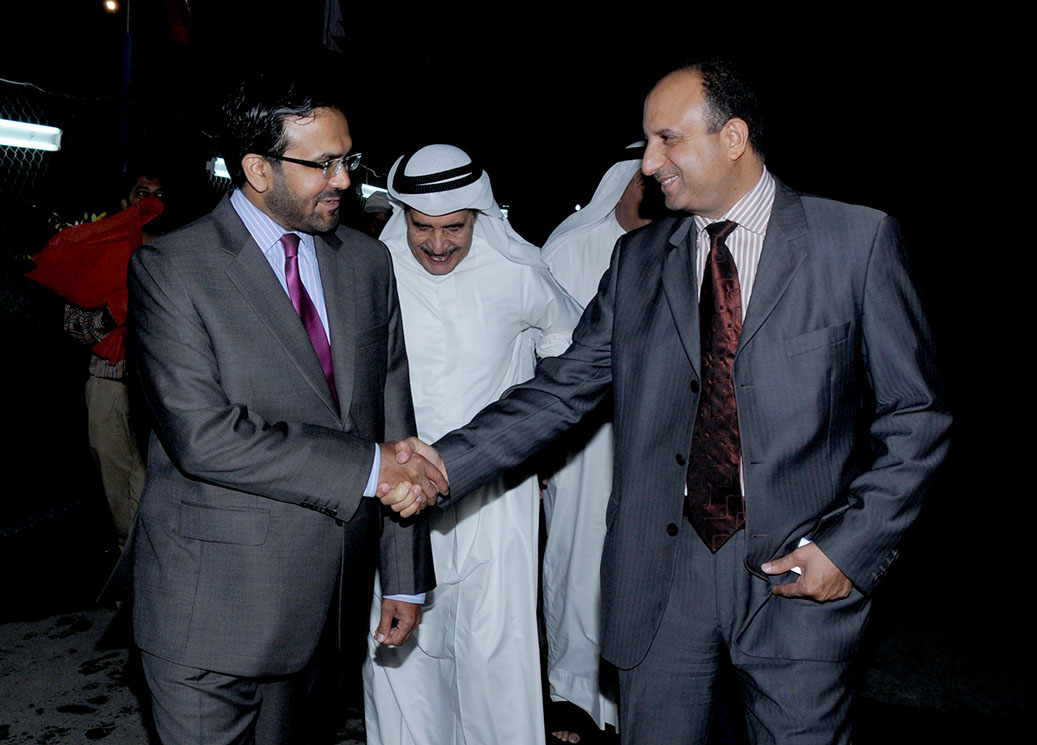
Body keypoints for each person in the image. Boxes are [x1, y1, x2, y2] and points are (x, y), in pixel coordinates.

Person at [403, 59, 951, 744]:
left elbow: (916, 416)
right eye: (647, 141)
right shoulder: (638, 261)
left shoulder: (855, 242)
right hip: (661, 582)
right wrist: (441, 465)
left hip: (799, 573)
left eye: (667, 139)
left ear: (733, 138)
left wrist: (849, 547)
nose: (648, 163)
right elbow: (561, 389)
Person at [118, 75, 446, 745]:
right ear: (257, 168)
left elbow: (393, 419)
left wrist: (405, 577)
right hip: (209, 614)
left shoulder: (366, 262)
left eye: (348, 159)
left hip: (327, 613)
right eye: (323, 163)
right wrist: (371, 469)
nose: (344, 180)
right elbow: (205, 438)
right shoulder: (172, 268)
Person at [363, 144, 582, 745]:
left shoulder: (517, 269)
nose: (437, 245)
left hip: (495, 498)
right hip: (396, 500)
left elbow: (571, 360)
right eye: (422, 227)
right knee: (402, 655)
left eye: (454, 228)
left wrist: (538, 446)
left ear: (479, 217)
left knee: (495, 652)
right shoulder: (375, 271)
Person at [538, 142, 653, 743]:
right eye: (641, 181)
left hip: (649, 440)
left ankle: (629, 703)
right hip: (581, 444)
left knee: (638, 567)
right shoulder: (570, 248)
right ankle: (571, 697)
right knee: (577, 564)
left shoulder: (675, 246)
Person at [28, 171, 166, 547]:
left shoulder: (178, 252)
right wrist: (115, 310)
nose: (151, 202)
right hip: (110, 383)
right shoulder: (101, 248)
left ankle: (147, 563)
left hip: (160, 388)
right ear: (125, 203)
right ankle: (129, 567)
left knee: (154, 486)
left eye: (159, 194)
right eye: (142, 193)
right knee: (117, 487)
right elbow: (76, 327)